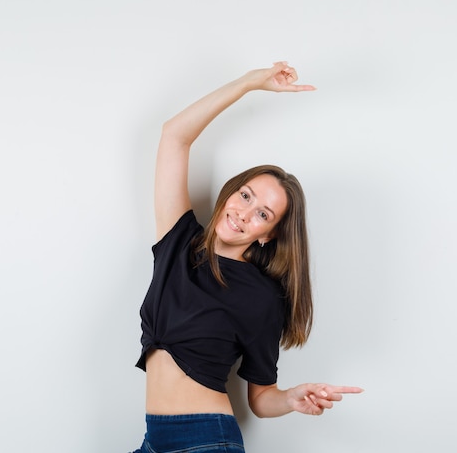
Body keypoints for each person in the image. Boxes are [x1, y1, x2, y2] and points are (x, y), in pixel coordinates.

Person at [132, 62, 363, 453]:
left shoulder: (260, 295)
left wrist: (290, 399)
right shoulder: (178, 241)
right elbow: (173, 136)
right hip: (153, 438)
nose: (244, 212)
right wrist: (248, 83)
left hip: (206, 440)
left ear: (268, 234)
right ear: (231, 191)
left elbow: (261, 397)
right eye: (246, 195)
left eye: (262, 214)